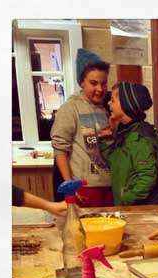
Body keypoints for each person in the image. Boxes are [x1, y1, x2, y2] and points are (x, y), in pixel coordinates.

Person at [51, 48, 114, 207]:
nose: (100, 89)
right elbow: (60, 149)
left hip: (109, 185)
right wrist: (70, 185)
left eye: (103, 83)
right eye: (93, 83)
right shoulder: (71, 108)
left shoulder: (108, 108)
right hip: (84, 188)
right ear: (81, 82)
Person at [98, 82, 158, 206]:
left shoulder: (139, 138)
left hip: (137, 211)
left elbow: (147, 178)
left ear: (125, 105)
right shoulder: (125, 133)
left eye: (113, 100)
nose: (108, 103)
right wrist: (107, 136)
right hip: (127, 208)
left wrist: (125, 198)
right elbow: (113, 160)